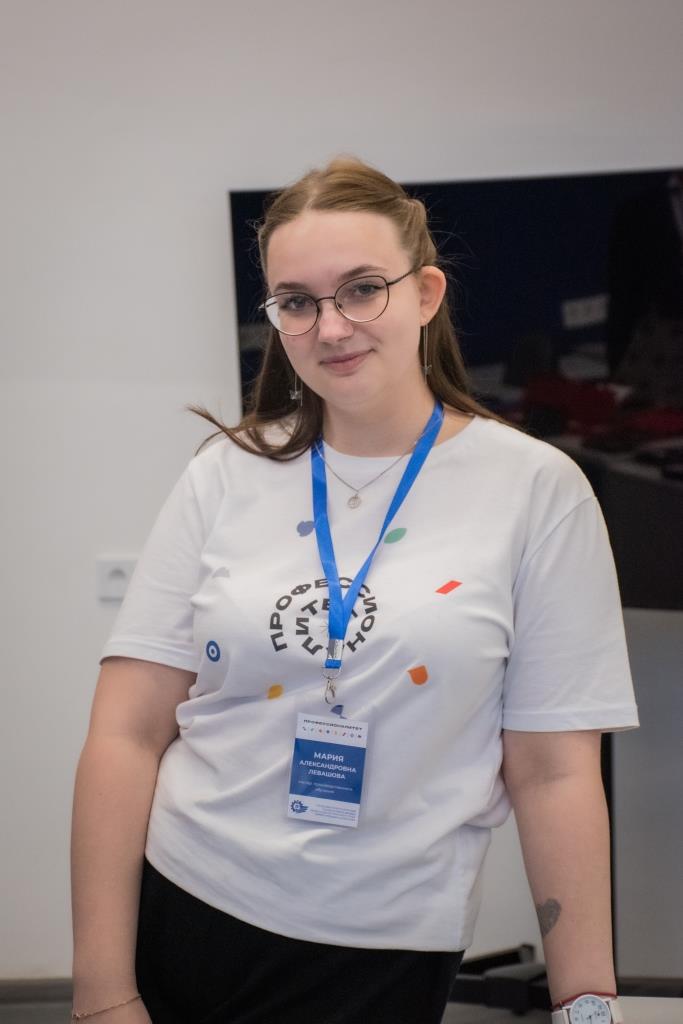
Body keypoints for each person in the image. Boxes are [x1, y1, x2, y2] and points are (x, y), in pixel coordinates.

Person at [71, 157, 639, 1024]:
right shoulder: (225, 474)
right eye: (296, 302)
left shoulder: (535, 491)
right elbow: (125, 732)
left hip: (390, 944)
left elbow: (554, 773)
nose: (330, 326)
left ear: (425, 293)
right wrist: (102, 996)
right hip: (186, 900)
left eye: (362, 289)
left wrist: (586, 1008)